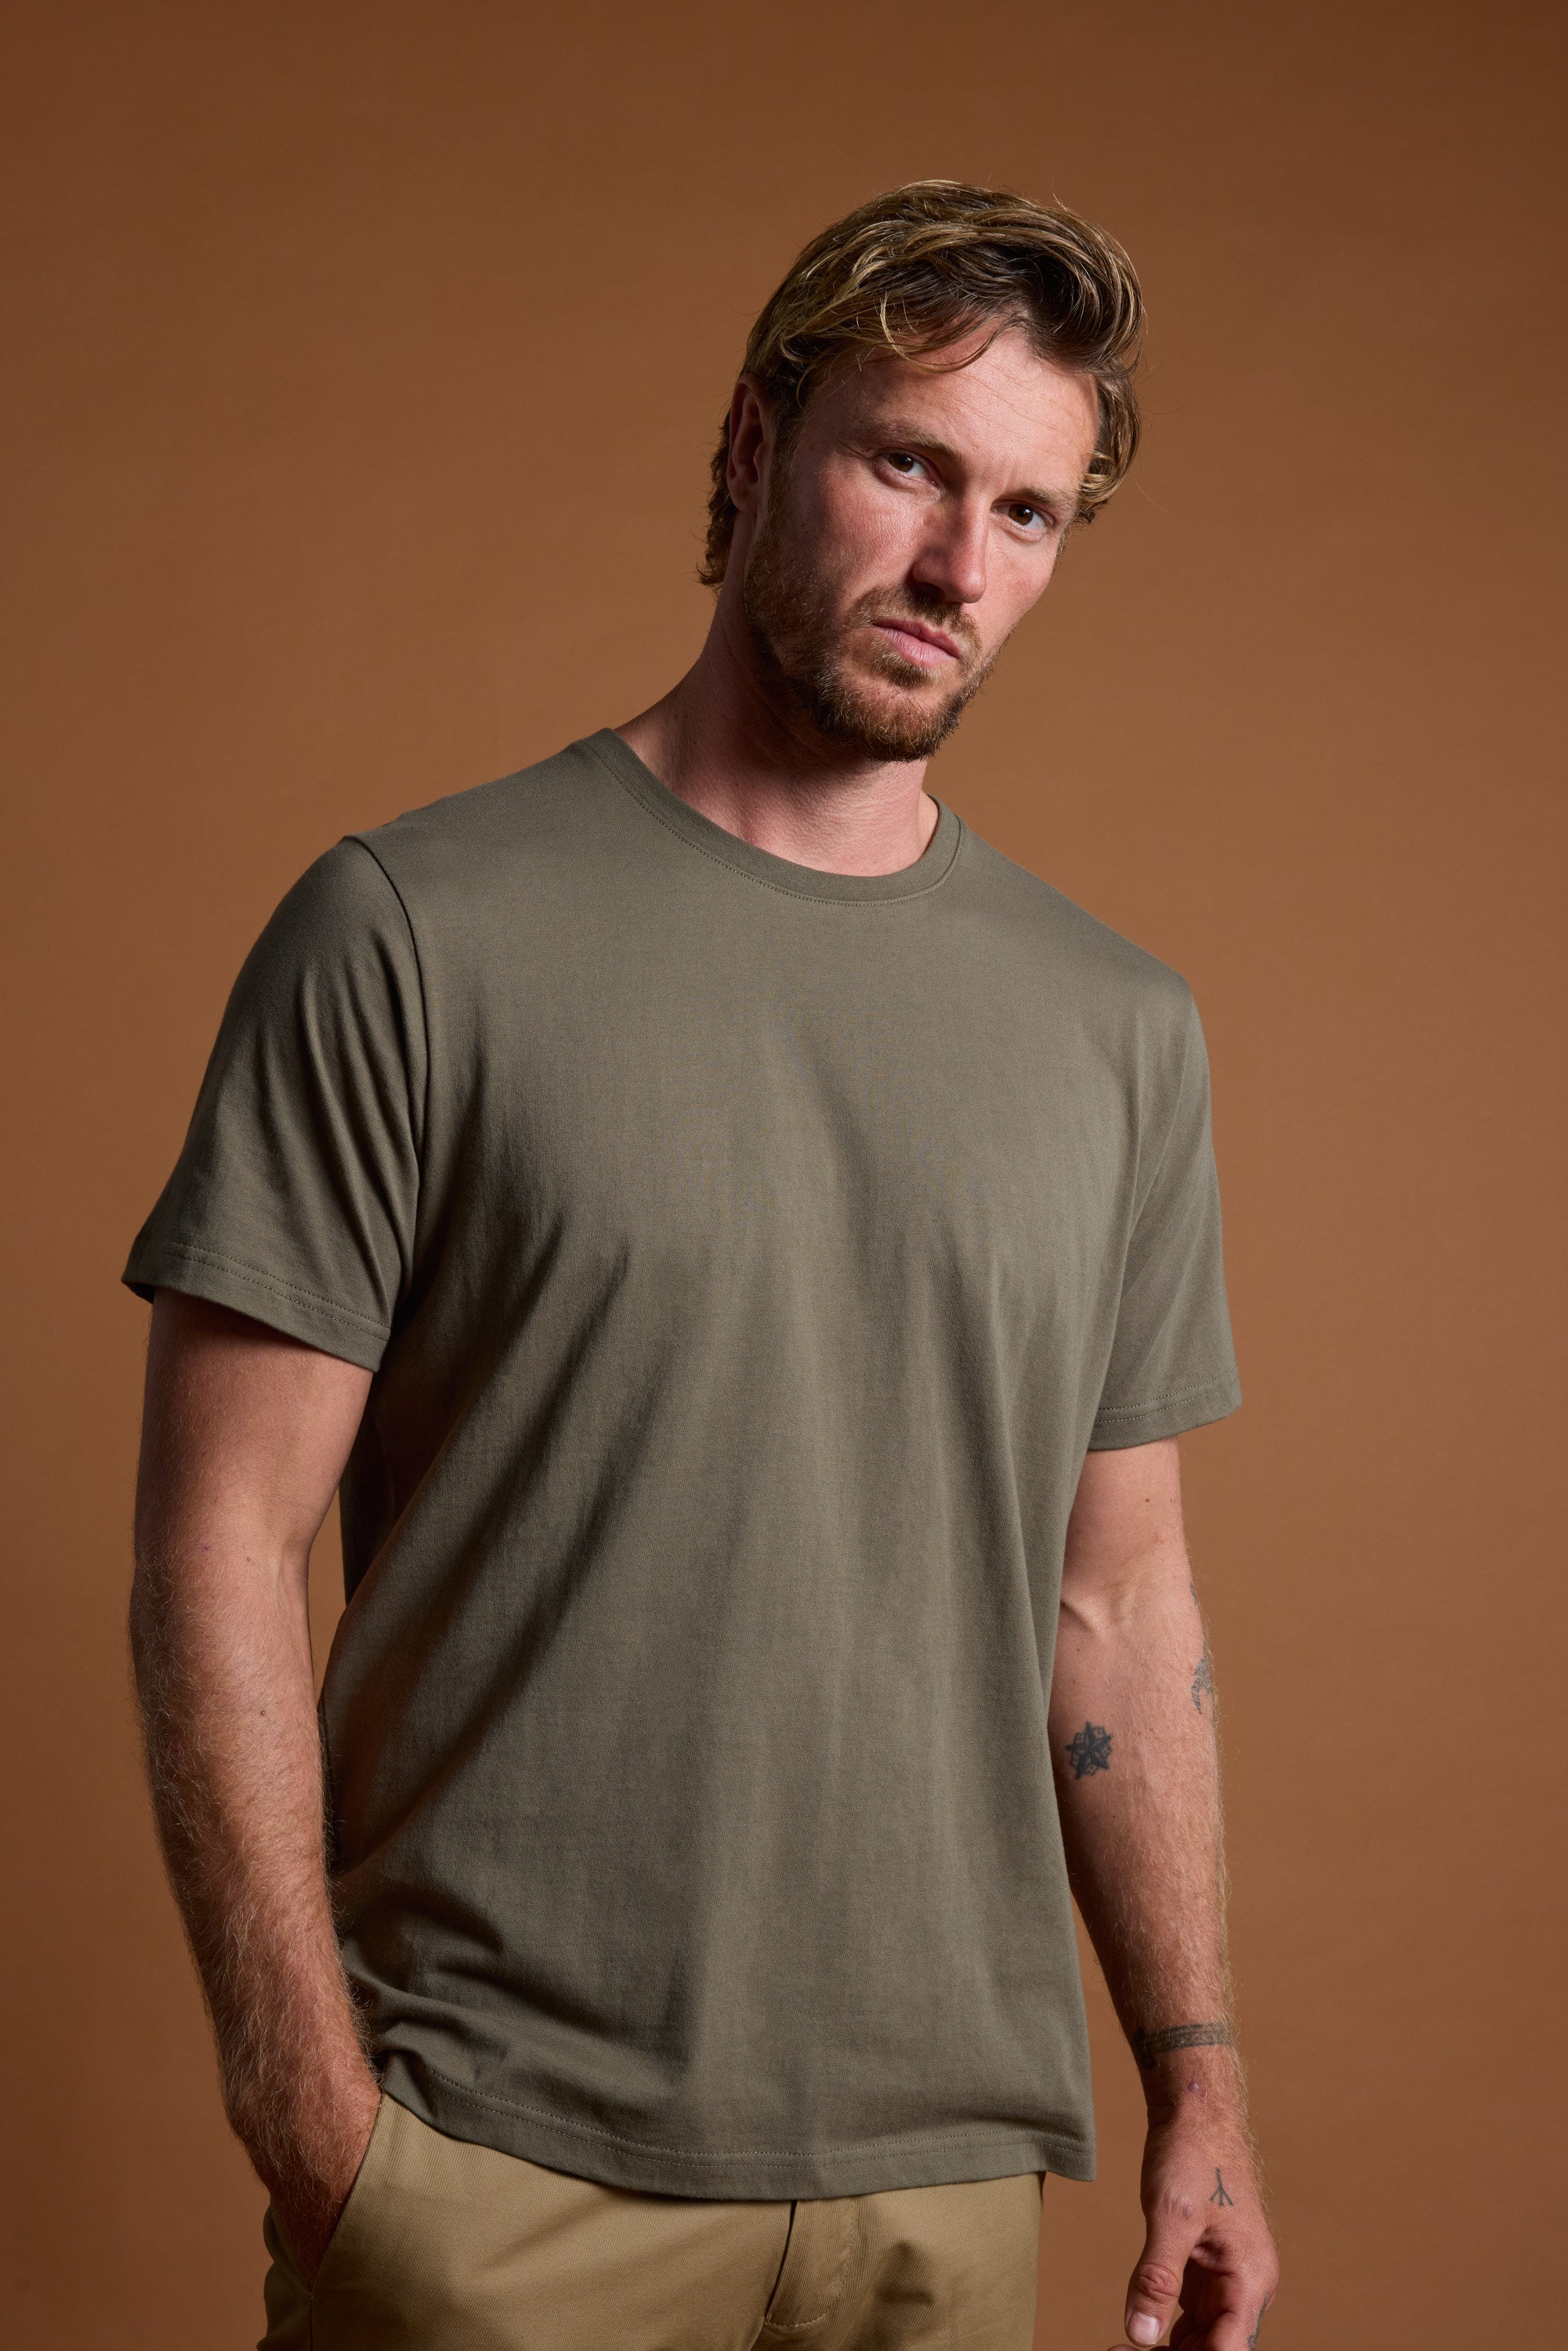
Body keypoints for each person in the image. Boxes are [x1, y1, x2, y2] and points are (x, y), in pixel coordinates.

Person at [125, 179, 1280, 2351]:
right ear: (754, 451)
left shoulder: (1113, 1027)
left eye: (1026, 514)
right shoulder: (411, 933)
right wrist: (316, 2124)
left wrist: (1194, 2074)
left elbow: (1113, 1600)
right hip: (490, 2170)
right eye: (906, 465)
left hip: (944, 2184)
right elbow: (218, 1538)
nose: (956, 569)